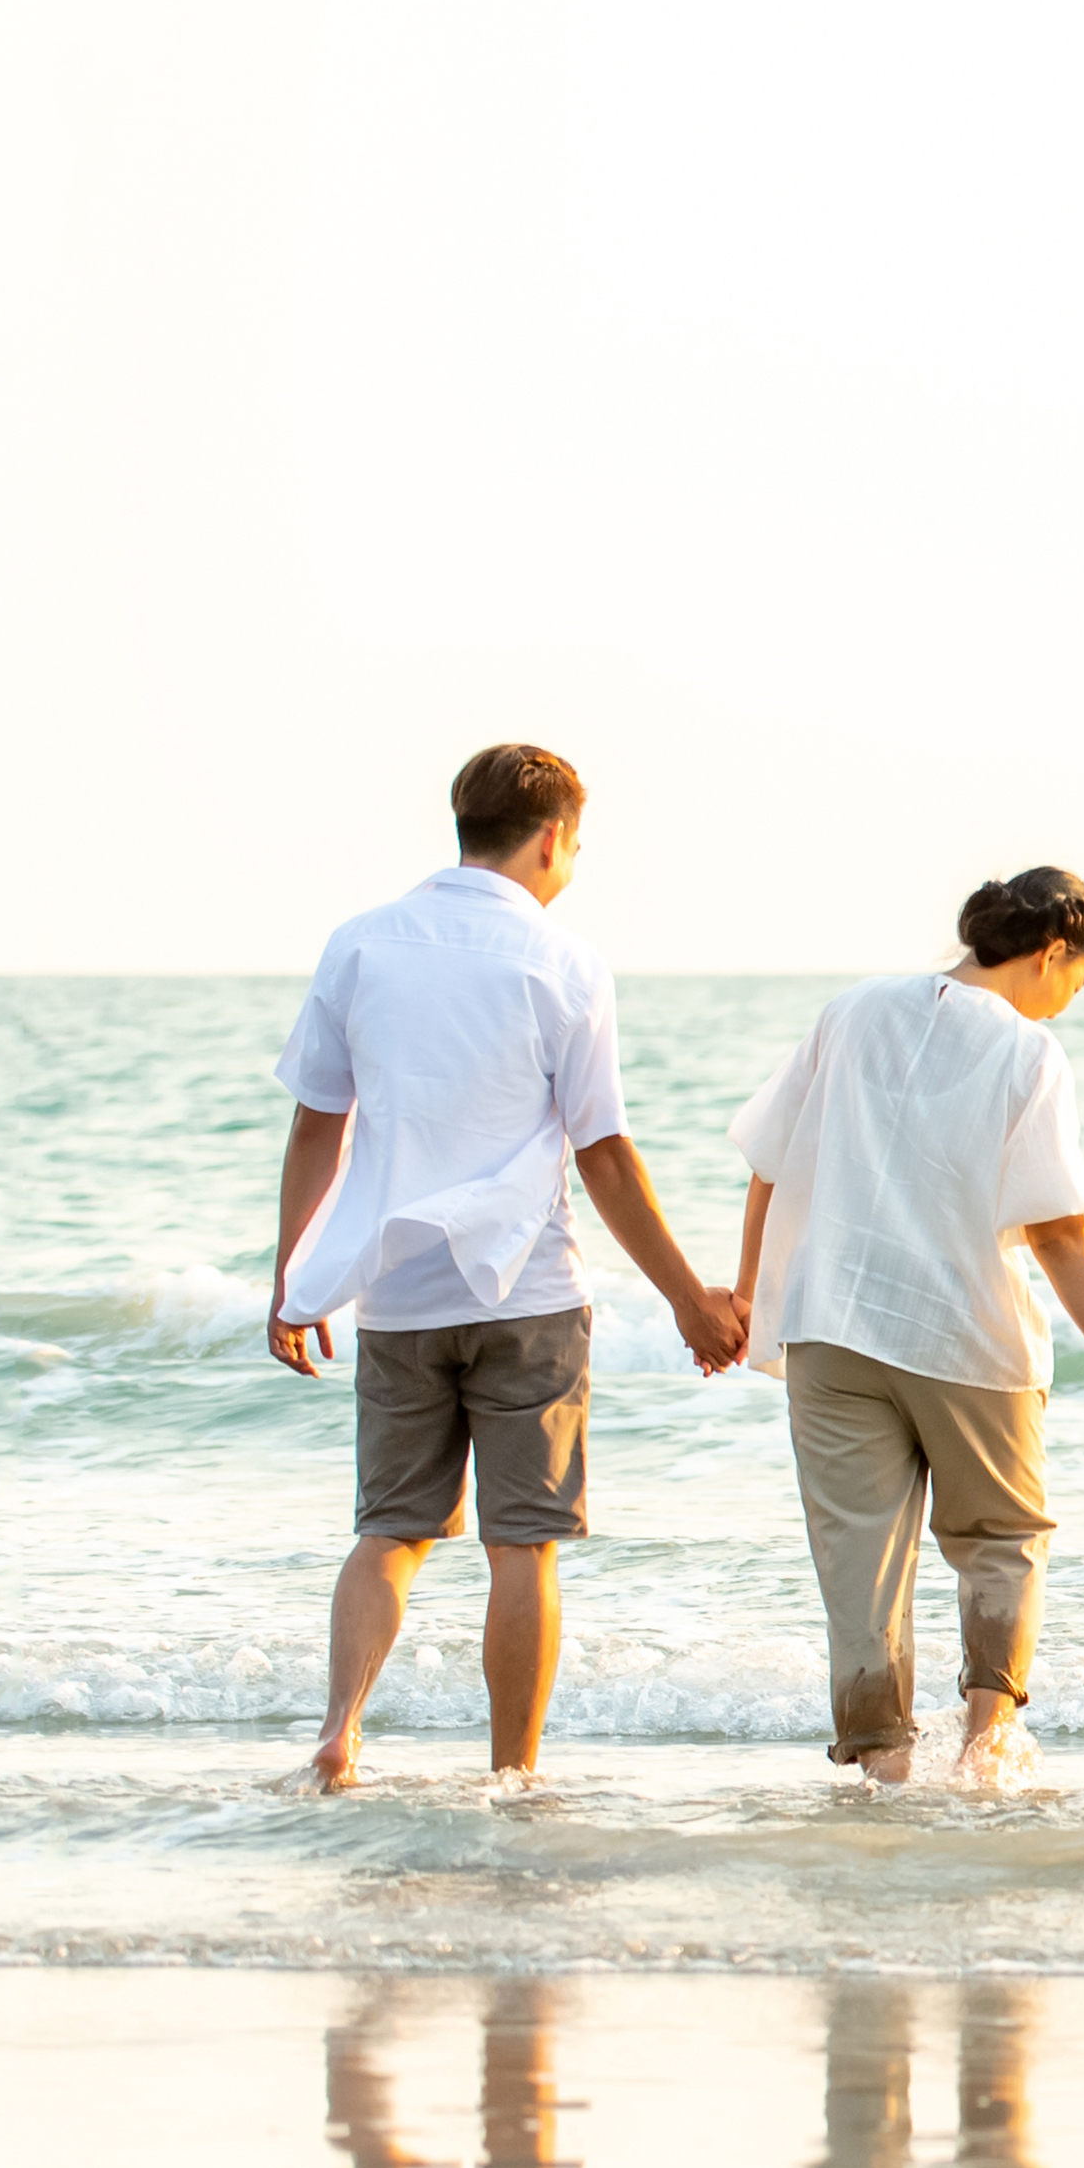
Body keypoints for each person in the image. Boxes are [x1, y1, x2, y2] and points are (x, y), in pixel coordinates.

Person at [265, 744, 746, 1790]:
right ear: (550, 836)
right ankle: (511, 1776)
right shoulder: (564, 963)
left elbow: (316, 1124)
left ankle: (341, 1733)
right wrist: (689, 1297)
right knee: (521, 1546)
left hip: (396, 1292)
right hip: (527, 1291)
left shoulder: (360, 944)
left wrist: (293, 1276)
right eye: (575, 840)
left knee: (390, 1531)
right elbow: (604, 1152)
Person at [726, 868, 1084, 1786]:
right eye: (1078, 978)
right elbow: (1060, 1232)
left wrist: (748, 1292)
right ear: (1051, 951)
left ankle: (883, 1766)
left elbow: (769, 1164)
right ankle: (987, 1746)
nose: (1071, 999)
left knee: (858, 1557)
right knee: (1001, 1538)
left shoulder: (854, 1010)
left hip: (829, 1326)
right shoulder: (1029, 1055)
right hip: (965, 1335)